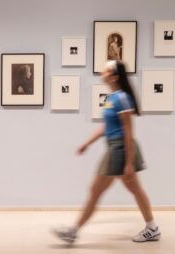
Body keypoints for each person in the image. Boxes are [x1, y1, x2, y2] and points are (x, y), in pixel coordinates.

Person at [53, 60, 161, 244]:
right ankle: (152, 228)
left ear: (114, 76)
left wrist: (128, 162)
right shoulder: (111, 98)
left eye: (106, 70)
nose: (102, 72)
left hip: (121, 148)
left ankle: (73, 232)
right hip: (113, 148)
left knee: (97, 190)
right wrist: (87, 143)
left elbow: (128, 130)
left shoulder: (122, 98)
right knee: (132, 189)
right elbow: (106, 127)